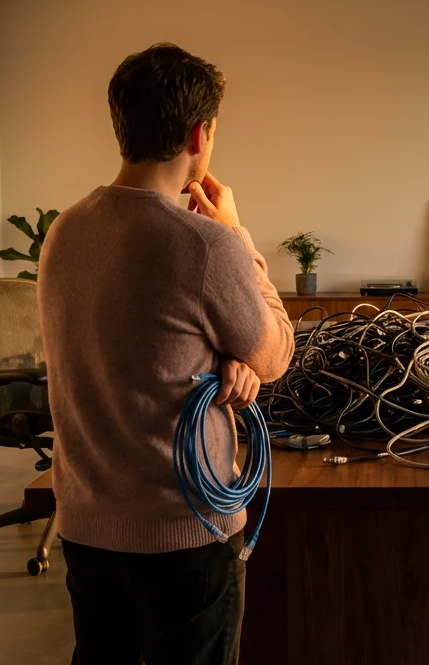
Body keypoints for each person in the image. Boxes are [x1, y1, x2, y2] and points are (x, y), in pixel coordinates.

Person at [37, 43, 295, 664]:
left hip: (88, 528)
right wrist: (237, 234)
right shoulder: (207, 246)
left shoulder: (64, 231)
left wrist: (220, 354)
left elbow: (141, 341)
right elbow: (275, 352)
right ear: (199, 134)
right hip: (187, 537)